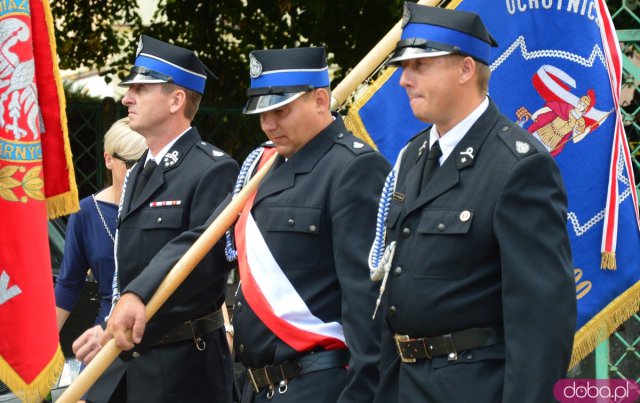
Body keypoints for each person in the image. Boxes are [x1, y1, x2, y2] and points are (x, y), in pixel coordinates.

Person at [370, 4, 576, 403]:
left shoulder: (518, 167)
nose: (403, 80)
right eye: (403, 67)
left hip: (472, 387)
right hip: (402, 385)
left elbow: (541, 323)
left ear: (465, 70)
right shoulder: (413, 157)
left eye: (419, 66)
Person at [71, 35, 239, 402]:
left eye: (141, 89)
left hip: (183, 369)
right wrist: (109, 327)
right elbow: (125, 270)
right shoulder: (136, 174)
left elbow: (200, 258)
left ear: (176, 100)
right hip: (131, 361)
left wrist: (128, 309)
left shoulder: (213, 170)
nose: (127, 98)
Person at [55, 118, 146, 332]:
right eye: (131, 164)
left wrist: (225, 326)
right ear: (108, 159)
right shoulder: (86, 212)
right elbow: (69, 284)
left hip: (155, 332)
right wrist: (42, 346)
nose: (139, 173)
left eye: (146, 163)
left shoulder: (163, 207)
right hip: (106, 330)